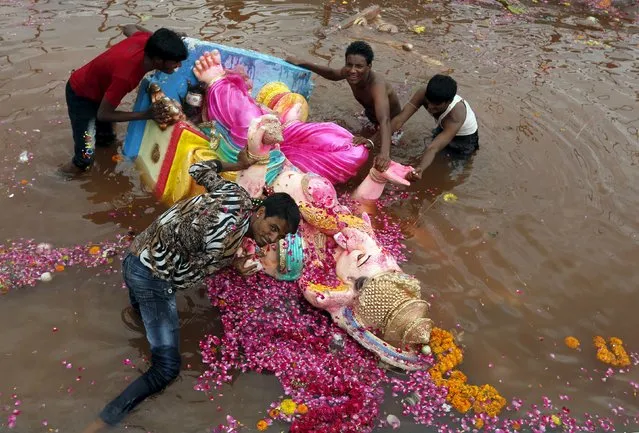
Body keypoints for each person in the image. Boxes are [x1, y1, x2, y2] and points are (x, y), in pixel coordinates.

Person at [81, 149, 301, 433]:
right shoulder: (227, 235)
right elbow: (197, 269)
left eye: (279, 236)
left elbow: (198, 168)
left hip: (137, 254)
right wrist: (234, 266)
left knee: (144, 316)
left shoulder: (236, 194)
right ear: (260, 212)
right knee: (167, 369)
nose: (271, 238)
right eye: (272, 228)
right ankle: (99, 423)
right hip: (152, 277)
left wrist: (238, 163)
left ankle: (141, 324)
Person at [60, 25, 188, 175]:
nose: (178, 65)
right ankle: (56, 179)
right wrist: (146, 114)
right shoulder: (126, 76)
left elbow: (128, 27)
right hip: (81, 96)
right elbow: (104, 115)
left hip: (100, 91)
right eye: (175, 61)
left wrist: (162, 43)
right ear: (158, 60)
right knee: (85, 158)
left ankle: (104, 170)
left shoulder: (146, 41)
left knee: (107, 140)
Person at [286, 41, 401, 173]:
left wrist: (384, 153)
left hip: (391, 127)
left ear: (369, 66)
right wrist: (303, 63)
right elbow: (332, 74)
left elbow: (385, 120)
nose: (352, 70)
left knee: (370, 156)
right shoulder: (351, 74)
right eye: (349, 65)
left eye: (359, 66)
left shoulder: (377, 86)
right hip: (371, 118)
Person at [389, 74, 479, 182]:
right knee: (432, 154)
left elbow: (433, 148)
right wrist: (372, 141)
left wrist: (420, 169)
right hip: (444, 126)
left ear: (448, 102)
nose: (430, 107)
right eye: (428, 102)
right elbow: (399, 120)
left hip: (464, 140)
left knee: (451, 168)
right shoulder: (423, 93)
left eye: (436, 105)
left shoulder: (456, 116)